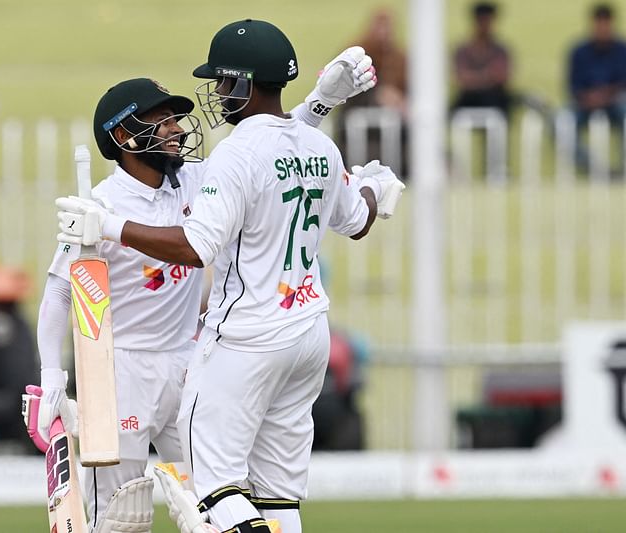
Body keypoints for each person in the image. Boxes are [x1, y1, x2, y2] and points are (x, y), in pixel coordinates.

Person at [55, 19, 402, 533]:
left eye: (221, 82)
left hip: (244, 340)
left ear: (240, 84)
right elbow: (356, 218)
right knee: (278, 499)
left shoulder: (233, 155)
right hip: (309, 335)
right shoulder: (321, 150)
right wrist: (377, 186)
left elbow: (196, 247)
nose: (216, 94)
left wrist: (108, 226)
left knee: (214, 489)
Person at [337, 9, 408, 177]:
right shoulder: (356, 54)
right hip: (357, 110)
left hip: (394, 118)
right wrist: (378, 95)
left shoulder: (398, 57)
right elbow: (343, 84)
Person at [568, 3, 626, 174]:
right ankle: (593, 167)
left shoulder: (622, 50)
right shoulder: (579, 52)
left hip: (616, 103)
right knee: (562, 122)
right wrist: (589, 98)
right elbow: (573, 86)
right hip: (585, 104)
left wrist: (604, 96)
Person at [452, 2, 512, 115]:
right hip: (468, 99)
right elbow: (460, 78)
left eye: (488, 21)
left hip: (495, 99)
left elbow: (502, 76)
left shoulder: (501, 50)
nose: (485, 26)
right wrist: (487, 76)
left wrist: (473, 78)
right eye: (482, 21)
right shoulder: (463, 50)